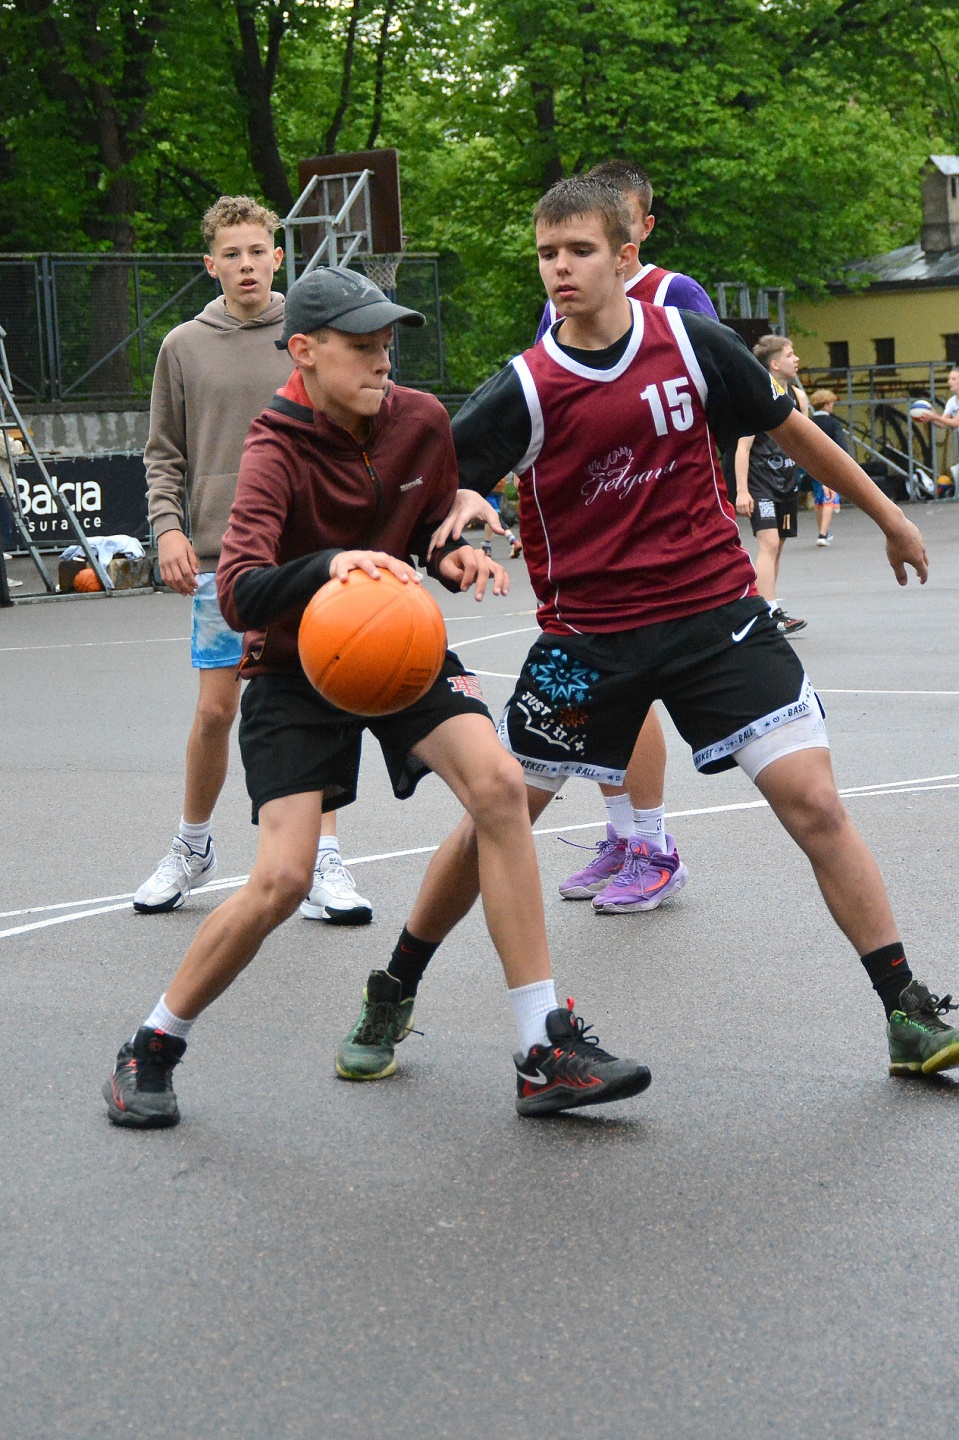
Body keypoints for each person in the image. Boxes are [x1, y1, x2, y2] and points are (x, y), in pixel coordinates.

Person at [410, 175, 958, 1090]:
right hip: (588, 642)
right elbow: (439, 491)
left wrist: (889, 515)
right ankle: (394, 985)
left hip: (715, 619)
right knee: (491, 824)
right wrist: (453, 534)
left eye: (579, 250)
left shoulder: (692, 343)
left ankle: (904, 1009)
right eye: (546, 254)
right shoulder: (526, 387)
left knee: (816, 804)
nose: (559, 268)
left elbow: (795, 428)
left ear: (626, 256)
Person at [103, 264, 650, 1129]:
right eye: (361, 347)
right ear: (304, 351)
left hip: (396, 646)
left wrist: (452, 556)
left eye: (387, 345)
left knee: (500, 789)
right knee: (283, 880)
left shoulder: (419, 421)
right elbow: (239, 590)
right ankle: (151, 1045)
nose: (382, 361)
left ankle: (541, 1046)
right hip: (294, 669)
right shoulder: (273, 447)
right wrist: (329, 564)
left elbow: (426, 529)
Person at [136, 195, 371, 925]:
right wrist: (167, 528)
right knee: (215, 711)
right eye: (230, 254)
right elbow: (163, 453)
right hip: (221, 557)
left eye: (257, 251)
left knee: (318, 700)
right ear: (210, 265)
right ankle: (192, 845)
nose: (246, 264)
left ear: (278, 256)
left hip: (305, 556)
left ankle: (323, 856)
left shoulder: (308, 335)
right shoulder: (183, 345)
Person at [533, 159, 717, 911]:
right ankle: (621, 833)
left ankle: (653, 843)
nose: (568, 261)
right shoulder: (562, 306)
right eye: (555, 249)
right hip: (586, 538)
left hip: (664, 538)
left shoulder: (675, 298)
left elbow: (723, 394)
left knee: (629, 695)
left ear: (635, 232)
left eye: (614, 228)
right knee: (597, 701)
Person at [734, 335, 809, 635]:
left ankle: (767, 605)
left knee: (778, 547)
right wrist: (742, 490)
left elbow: (806, 444)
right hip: (761, 483)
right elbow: (742, 448)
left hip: (786, 482)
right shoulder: (758, 396)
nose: (796, 359)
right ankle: (767, 612)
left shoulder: (798, 398)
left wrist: (822, 479)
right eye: (790, 355)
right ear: (774, 363)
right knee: (770, 543)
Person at [808, 389, 846, 545]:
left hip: (812, 463)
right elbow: (841, 444)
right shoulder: (833, 423)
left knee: (818, 498)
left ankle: (823, 531)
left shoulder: (809, 422)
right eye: (831, 404)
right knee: (830, 498)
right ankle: (823, 534)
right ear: (826, 405)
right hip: (830, 464)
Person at [481, 477, 523, 560]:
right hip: (500, 487)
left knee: (496, 518)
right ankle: (487, 546)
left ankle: (513, 541)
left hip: (488, 487)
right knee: (489, 517)